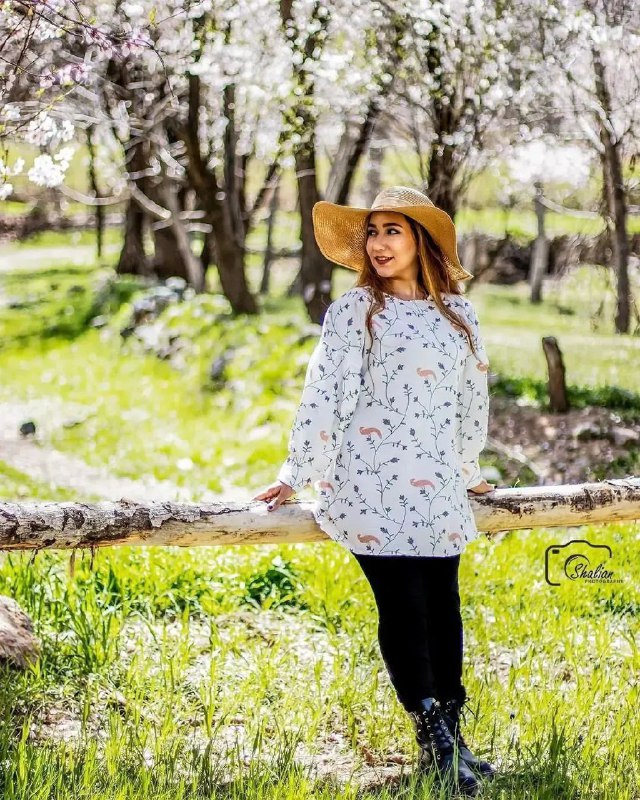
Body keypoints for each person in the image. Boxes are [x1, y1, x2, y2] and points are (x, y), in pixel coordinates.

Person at [253, 186, 497, 796]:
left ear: (421, 240)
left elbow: (470, 401)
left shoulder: (458, 315)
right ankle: (433, 737)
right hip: (369, 482)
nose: (379, 244)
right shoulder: (356, 310)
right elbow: (325, 393)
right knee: (404, 606)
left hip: (437, 485)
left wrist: (468, 469)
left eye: (393, 230)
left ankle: (454, 736)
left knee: (443, 607)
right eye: (373, 232)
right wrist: (296, 471)